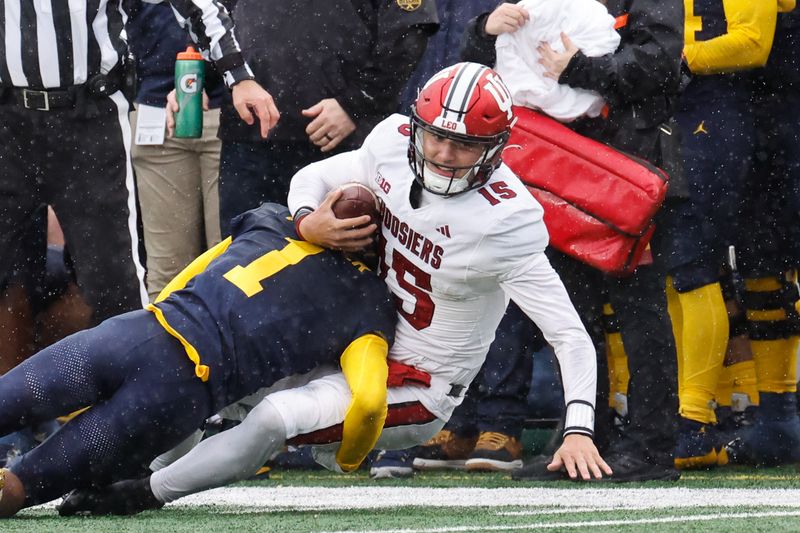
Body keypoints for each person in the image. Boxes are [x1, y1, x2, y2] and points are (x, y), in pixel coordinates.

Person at [55, 63, 610, 517]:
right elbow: (313, 179)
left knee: (273, 417)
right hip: (345, 338)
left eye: (464, 145)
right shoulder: (392, 143)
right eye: (437, 136)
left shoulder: (507, 221)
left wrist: (580, 427)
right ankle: (134, 469)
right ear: (417, 127)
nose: (444, 154)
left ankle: (144, 495)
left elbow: (569, 335)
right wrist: (306, 222)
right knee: (204, 375)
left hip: (415, 384)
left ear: (495, 148)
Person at [0, 203, 397, 517]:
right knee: (17, 488)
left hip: (131, 336)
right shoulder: (367, 300)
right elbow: (368, 402)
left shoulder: (272, 219)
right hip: (180, 392)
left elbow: (192, 271)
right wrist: (346, 458)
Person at [460, 0, 684, 481]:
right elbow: (473, 74)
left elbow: (661, 65)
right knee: (570, 315)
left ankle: (651, 446)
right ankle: (582, 439)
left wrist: (579, 66)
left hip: (625, 171)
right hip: (554, 172)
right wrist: (483, 29)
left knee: (641, 313)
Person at [0, 0, 278, 373]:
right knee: (9, 275)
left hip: (89, 120)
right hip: (9, 121)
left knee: (113, 282)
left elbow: (198, 6)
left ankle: (128, 404)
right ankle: (15, 408)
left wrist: (239, 76)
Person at [216, 0, 439, 235]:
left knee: (339, 263)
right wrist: (202, 79)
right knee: (242, 259)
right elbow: (213, 18)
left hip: (339, 145)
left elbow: (409, 33)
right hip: (248, 138)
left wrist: (355, 103)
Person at [126, 1, 227, 300]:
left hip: (228, 111)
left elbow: (249, 26)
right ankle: (167, 346)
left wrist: (208, 73)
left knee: (230, 263)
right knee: (168, 277)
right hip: (153, 112)